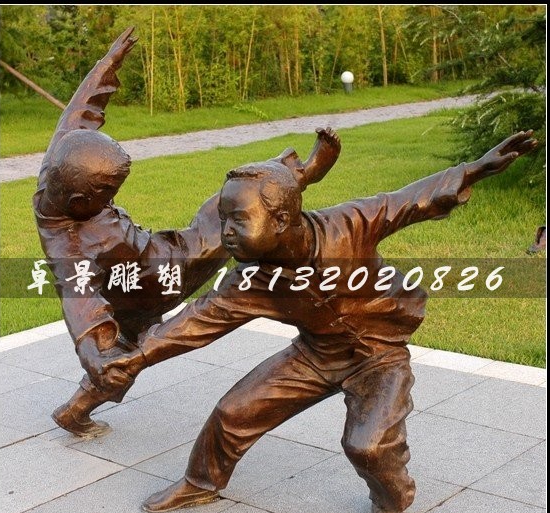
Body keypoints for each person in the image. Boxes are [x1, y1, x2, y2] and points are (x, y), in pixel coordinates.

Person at [100, 127, 536, 513]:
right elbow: (196, 322)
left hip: (378, 355)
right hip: (316, 355)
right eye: (223, 219)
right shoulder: (249, 281)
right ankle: (200, 482)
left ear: (281, 219)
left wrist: (475, 169)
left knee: (368, 445)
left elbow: (410, 200)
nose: (226, 232)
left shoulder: (350, 225)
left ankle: (391, 502)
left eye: (238, 220)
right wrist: (137, 357)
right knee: (233, 412)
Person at [34, 27, 341, 438]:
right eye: (107, 193)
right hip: (163, 273)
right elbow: (80, 302)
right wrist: (93, 351)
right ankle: (299, 174)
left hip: (138, 271)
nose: (114, 197)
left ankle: (75, 411)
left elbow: (79, 112)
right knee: (228, 213)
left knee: (127, 352)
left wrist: (108, 62)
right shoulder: (68, 245)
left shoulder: (60, 163)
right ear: (78, 200)